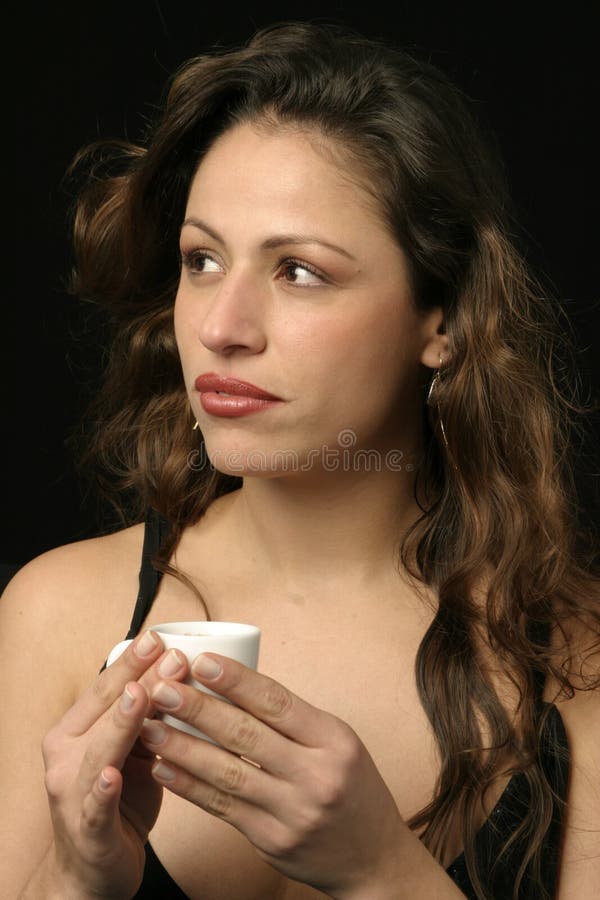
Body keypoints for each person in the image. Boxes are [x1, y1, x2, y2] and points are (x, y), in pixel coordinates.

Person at [2, 20, 598, 900]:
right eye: (202, 260)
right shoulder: (57, 614)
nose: (220, 328)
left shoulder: (575, 650)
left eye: (300, 272)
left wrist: (382, 873)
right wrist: (81, 882)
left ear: (443, 320)